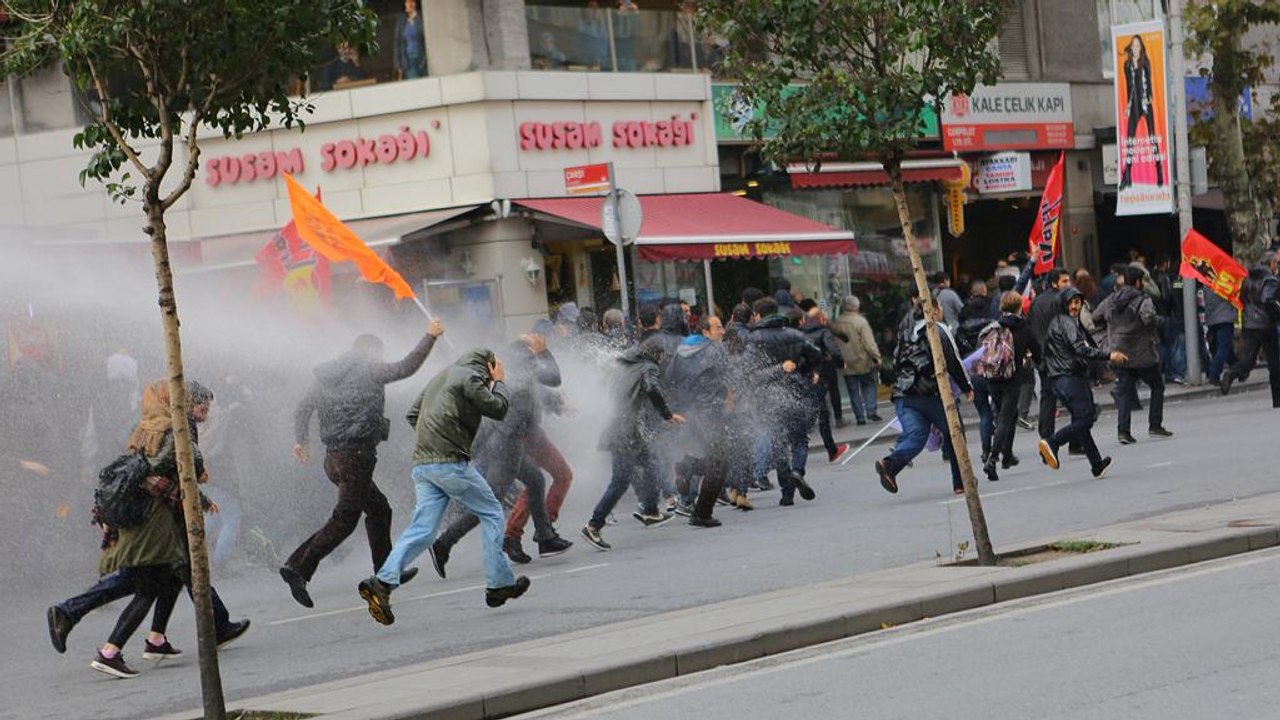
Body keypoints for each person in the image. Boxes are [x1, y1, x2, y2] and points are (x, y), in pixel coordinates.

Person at [50, 382, 249, 670]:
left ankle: (157, 639)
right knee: (146, 583)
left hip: (150, 514)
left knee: (171, 574)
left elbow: (153, 468)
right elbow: (167, 466)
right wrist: (197, 466)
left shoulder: (145, 424)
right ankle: (100, 642)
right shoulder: (176, 426)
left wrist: (200, 496)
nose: (205, 409)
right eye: (200, 404)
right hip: (154, 518)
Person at [281, 320, 443, 609]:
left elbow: (303, 407)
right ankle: (299, 568)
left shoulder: (328, 375)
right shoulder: (370, 366)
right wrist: (430, 336)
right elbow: (406, 367)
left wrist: (301, 440)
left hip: (334, 458)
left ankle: (386, 571)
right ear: (373, 351)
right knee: (345, 520)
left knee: (379, 510)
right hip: (355, 456)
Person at [358, 349, 527, 625]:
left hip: (424, 466)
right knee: (492, 512)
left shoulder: (441, 377)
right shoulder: (472, 377)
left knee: (423, 530)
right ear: (488, 364)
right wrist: (499, 382)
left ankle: (382, 583)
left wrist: (435, 438)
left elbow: (413, 415)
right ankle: (498, 585)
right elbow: (499, 409)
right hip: (450, 463)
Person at [430, 330, 572, 572]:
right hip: (507, 450)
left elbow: (540, 392)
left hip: (506, 446)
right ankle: (444, 543)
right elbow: (554, 377)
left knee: (536, 481)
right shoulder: (520, 384)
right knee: (490, 503)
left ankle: (545, 536)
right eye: (530, 357)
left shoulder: (513, 379)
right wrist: (543, 352)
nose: (534, 360)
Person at [581, 337, 685, 550]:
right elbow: (652, 388)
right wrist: (667, 415)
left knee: (651, 463)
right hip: (626, 433)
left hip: (625, 429)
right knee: (620, 480)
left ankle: (650, 510)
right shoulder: (649, 367)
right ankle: (594, 525)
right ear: (659, 355)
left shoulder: (626, 364)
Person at [874, 298, 973, 496]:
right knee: (955, 433)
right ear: (934, 311)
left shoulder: (906, 333)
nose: (942, 311)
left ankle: (889, 465)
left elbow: (896, 362)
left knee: (917, 435)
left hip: (904, 394)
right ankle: (961, 481)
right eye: (941, 307)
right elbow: (953, 360)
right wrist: (966, 387)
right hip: (929, 392)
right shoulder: (938, 329)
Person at [1038, 289, 1128, 478]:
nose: (1074, 306)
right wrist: (1109, 356)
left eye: (1077, 302)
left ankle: (1096, 464)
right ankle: (1053, 442)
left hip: (1059, 380)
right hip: (1070, 378)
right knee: (1085, 419)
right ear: (1063, 303)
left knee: (1081, 421)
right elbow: (1081, 349)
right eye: (1070, 302)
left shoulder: (1057, 322)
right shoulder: (1068, 323)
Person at [744, 297, 823, 505]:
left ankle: (787, 494)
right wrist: (802, 369)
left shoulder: (753, 339)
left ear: (758, 315)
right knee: (799, 438)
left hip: (768, 397)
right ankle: (798, 471)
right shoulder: (794, 334)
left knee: (780, 444)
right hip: (796, 392)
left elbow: (749, 373)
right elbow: (817, 355)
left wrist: (776, 371)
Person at [1093, 266, 1173, 444]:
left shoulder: (1111, 299)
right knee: (1157, 385)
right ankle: (1155, 425)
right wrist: (1159, 322)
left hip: (1119, 351)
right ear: (1138, 282)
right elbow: (1148, 318)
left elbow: (1096, 316)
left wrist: (1108, 337)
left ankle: (1123, 431)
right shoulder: (1143, 299)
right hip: (1142, 352)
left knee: (1124, 393)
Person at [669, 315, 731, 527]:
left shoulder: (681, 351)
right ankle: (702, 513)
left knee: (715, 458)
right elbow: (730, 375)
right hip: (710, 413)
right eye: (718, 327)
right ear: (705, 332)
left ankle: (687, 466)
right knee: (720, 462)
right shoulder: (715, 349)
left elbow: (670, 378)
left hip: (690, 413)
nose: (722, 331)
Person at [981, 291, 1039, 481]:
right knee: (1005, 419)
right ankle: (993, 458)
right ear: (1019, 307)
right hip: (1012, 378)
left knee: (1006, 415)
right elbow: (1038, 353)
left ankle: (1007, 455)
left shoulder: (993, 327)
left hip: (992, 377)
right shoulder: (1023, 328)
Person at [1220, 252, 1280, 407]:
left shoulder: (1247, 278)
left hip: (1249, 324)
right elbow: (1268, 300)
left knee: (1248, 360)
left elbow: (1240, 298)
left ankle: (1231, 374)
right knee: (1274, 363)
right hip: (1266, 325)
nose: (1277, 266)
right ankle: (1277, 398)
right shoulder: (1270, 280)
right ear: (1271, 264)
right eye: (1276, 263)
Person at [1024, 268, 1072, 441]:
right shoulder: (1061, 301)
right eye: (1064, 281)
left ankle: (1046, 437)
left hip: (1043, 355)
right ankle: (1074, 439)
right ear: (1054, 283)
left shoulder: (1037, 302)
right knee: (1072, 395)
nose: (1068, 284)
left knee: (1048, 397)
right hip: (1060, 355)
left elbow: (1029, 327)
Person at [801, 307, 849, 463]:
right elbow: (834, 351)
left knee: (812, 411)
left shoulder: (799, 333)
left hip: (805, 376)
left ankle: (828, 449)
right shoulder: (823, 332)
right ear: (821, 318)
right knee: (822, 413)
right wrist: (841, 363)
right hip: (820, 374)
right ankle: (831, 449)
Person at [1119, 34, 1163, 189]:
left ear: (1141, 48)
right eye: (1133, 46)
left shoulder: (1146, 63)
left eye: (1138, 46)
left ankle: (1160, 173)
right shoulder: (1127, 66)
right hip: (1134, 104)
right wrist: (1128, 106)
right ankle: (1127, 177)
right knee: (1129, 140)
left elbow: (1149, 82)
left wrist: (1150, 98)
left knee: (1152, 138)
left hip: (1145, 103)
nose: (1135, 49)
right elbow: (1128, 87)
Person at [832, 296, 882, 425]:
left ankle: (859, 416)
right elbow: (869, 343)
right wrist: (877, 357)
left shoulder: (837, 322)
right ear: (857, 307)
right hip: (862, 360)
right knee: (869, 384)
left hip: (846, 362)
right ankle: (871, 411)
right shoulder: (861, 322)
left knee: (853, 390)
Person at [1203, 288, 1238, 384]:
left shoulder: (1207, 284)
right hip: (1225, 317)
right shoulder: (1225, 284)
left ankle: (1238, 368)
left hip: (1212, 319)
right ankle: (1214, 374)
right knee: (1223, 348)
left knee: (1224, 347)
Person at [394, 0, 427, 79]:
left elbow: (424, 34)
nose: (406, 5)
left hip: (422, 57)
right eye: (405, 3)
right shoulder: (401, 21)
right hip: (408, 60)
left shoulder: (420, 18)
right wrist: (398, 63)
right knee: (414, 81)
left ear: (413, 4)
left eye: (408, 3)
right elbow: (397, 43)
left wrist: (415, 19)